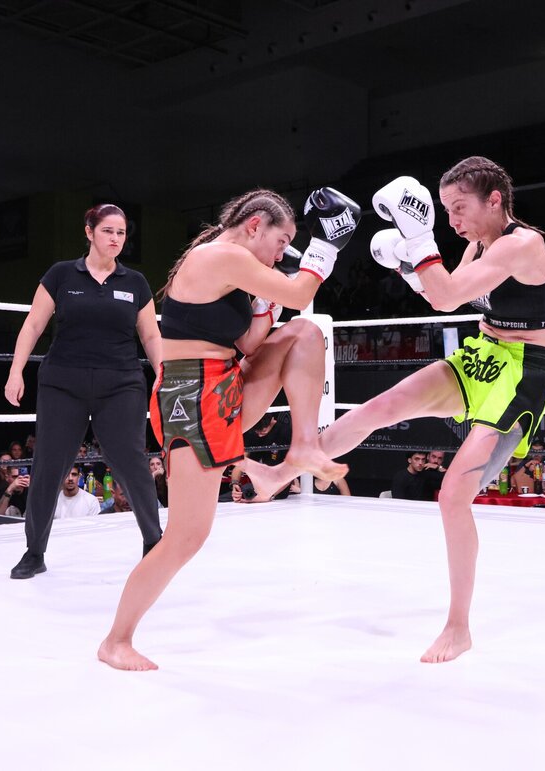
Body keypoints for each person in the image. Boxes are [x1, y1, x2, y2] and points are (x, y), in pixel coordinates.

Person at [276, 156, 545, 663]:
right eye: (445, 209)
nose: (453, 220)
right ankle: (279, 477)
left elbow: (447, 297)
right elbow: (442, 298)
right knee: (380, 406)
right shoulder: (479, 245)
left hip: (521, 374)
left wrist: (418, 241)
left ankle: (459, 627)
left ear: (494, 199)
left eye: (459, 207)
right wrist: (409, 267)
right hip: (481, 355)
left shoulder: (523, 245)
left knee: (453, 497)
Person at [97, 186, 361, 670]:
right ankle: (116, 641)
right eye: (281, 243)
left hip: (222, 384)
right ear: (255, 226)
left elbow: (251, 342)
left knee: (305, 333)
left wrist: (266, 301)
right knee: (186, 537)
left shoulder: (237, 271)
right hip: (190, 395)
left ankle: (302, 446)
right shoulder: (219, 256)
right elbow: (302, 292)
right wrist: (326, 245)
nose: (281, 255)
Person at [4, 204, 164, 579]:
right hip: (64, 382)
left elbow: (150, 335)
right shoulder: (61, 274)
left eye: (121, 233)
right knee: (49, 466)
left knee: (132, 462)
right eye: (108, 231)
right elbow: (33, 325)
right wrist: (15, 371)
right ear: (89, 232)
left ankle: (155, 544)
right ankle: (34, 552)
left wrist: (163, 373)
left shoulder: (135, 282)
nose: (115, 238)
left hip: (121, 383)